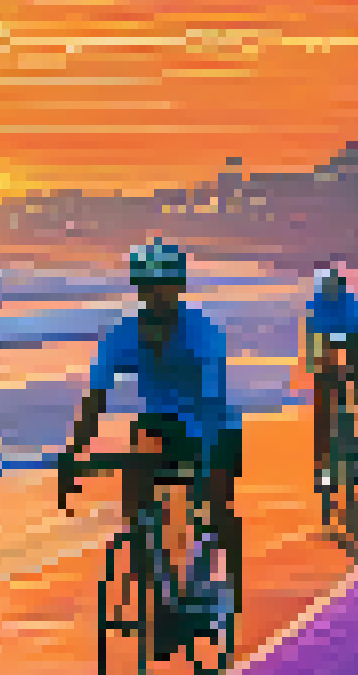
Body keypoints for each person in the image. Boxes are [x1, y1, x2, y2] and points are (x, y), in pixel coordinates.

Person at [59, 238, 243, 626]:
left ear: (178, 288)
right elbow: (95, 398)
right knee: (139, 470)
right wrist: (74, 455)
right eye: (146, 287)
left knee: (215, 500)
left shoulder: (203, 333)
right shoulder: (123, 334)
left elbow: (210, 404)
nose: (155, 297)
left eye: (162, 287)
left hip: (213, 424)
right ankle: (157, 589)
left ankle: (214, 580)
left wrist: (207, 468)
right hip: (160, 426)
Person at [303, 265, 358, 487]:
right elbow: (314, 343)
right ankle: (322, 468)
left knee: (350, 402)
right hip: (329, 352)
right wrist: (316, 368)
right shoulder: (317, 305)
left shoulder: (352, 306)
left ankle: (353, 462)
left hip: (353, 346)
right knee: (323, 414)